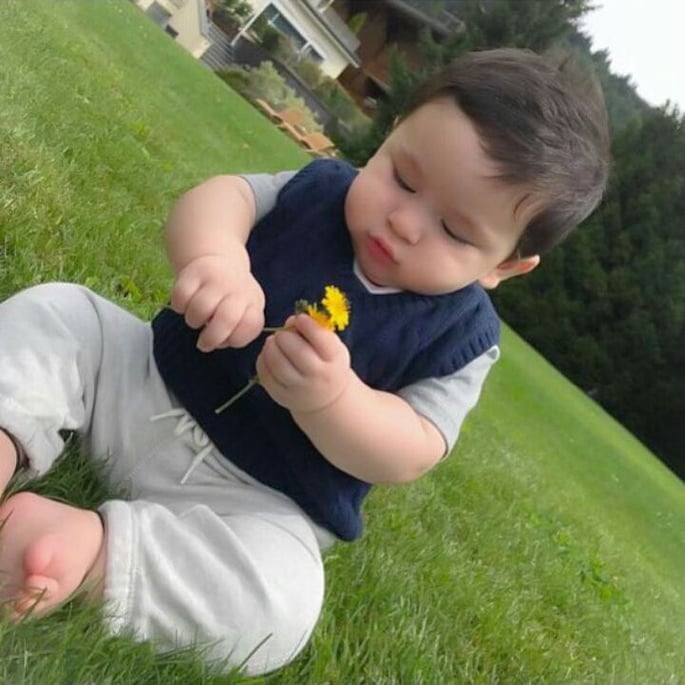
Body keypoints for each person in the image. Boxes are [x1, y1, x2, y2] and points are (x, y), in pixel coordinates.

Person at [0, 48, 609, 674]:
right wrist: (218, 259)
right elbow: (221, 199)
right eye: (402, 177)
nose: (403, 221)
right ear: (392, 131)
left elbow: (412, 448)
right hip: (141, 383)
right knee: (64, 315)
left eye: (455, 232)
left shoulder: (463, 339)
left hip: (247, 501)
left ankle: (93, 555)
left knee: (282, 604)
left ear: (505, 266)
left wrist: (333, 401)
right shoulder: (319, 191)